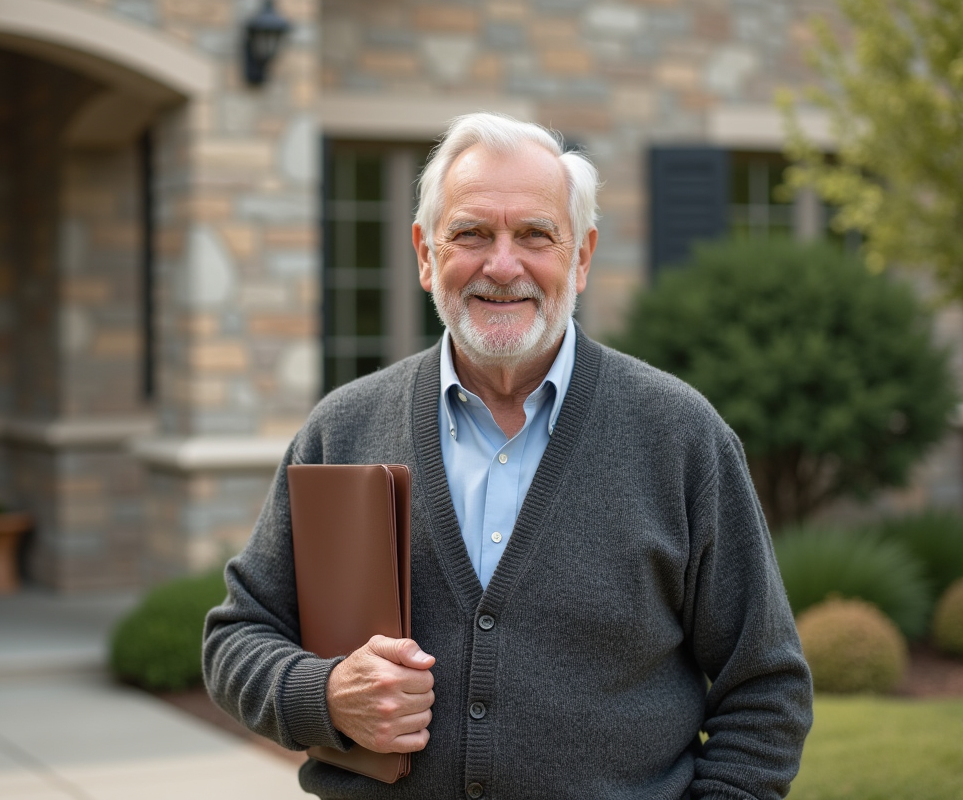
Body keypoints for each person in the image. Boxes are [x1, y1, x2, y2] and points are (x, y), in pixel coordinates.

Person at [203, 112, 812, 800]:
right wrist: (325, 694)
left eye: (534, 235)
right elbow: (237, 638)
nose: (501, 264)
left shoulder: (681, 438)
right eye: (470, 233)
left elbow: (766, 690)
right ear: (426, 254)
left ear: (580, 257)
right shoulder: (341, 430)